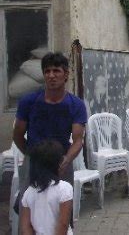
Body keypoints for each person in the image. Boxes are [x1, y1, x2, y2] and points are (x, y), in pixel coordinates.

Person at [13, 52, 87, 224]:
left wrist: (67, 160)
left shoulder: (75, 105)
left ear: (66, 74)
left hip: (62, 161)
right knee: (25, 205)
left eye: (56, 71)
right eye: (47, 71)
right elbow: (17, 134)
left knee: (62, 210)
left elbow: (77, 141)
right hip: (35, 161)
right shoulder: (29, 101)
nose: (51, 75)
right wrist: (31, 154)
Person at [20, 139, 73, 235]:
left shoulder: (28, 192)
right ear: (58, 164)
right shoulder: (64, 188)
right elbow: (63, 224)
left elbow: (26, 226)